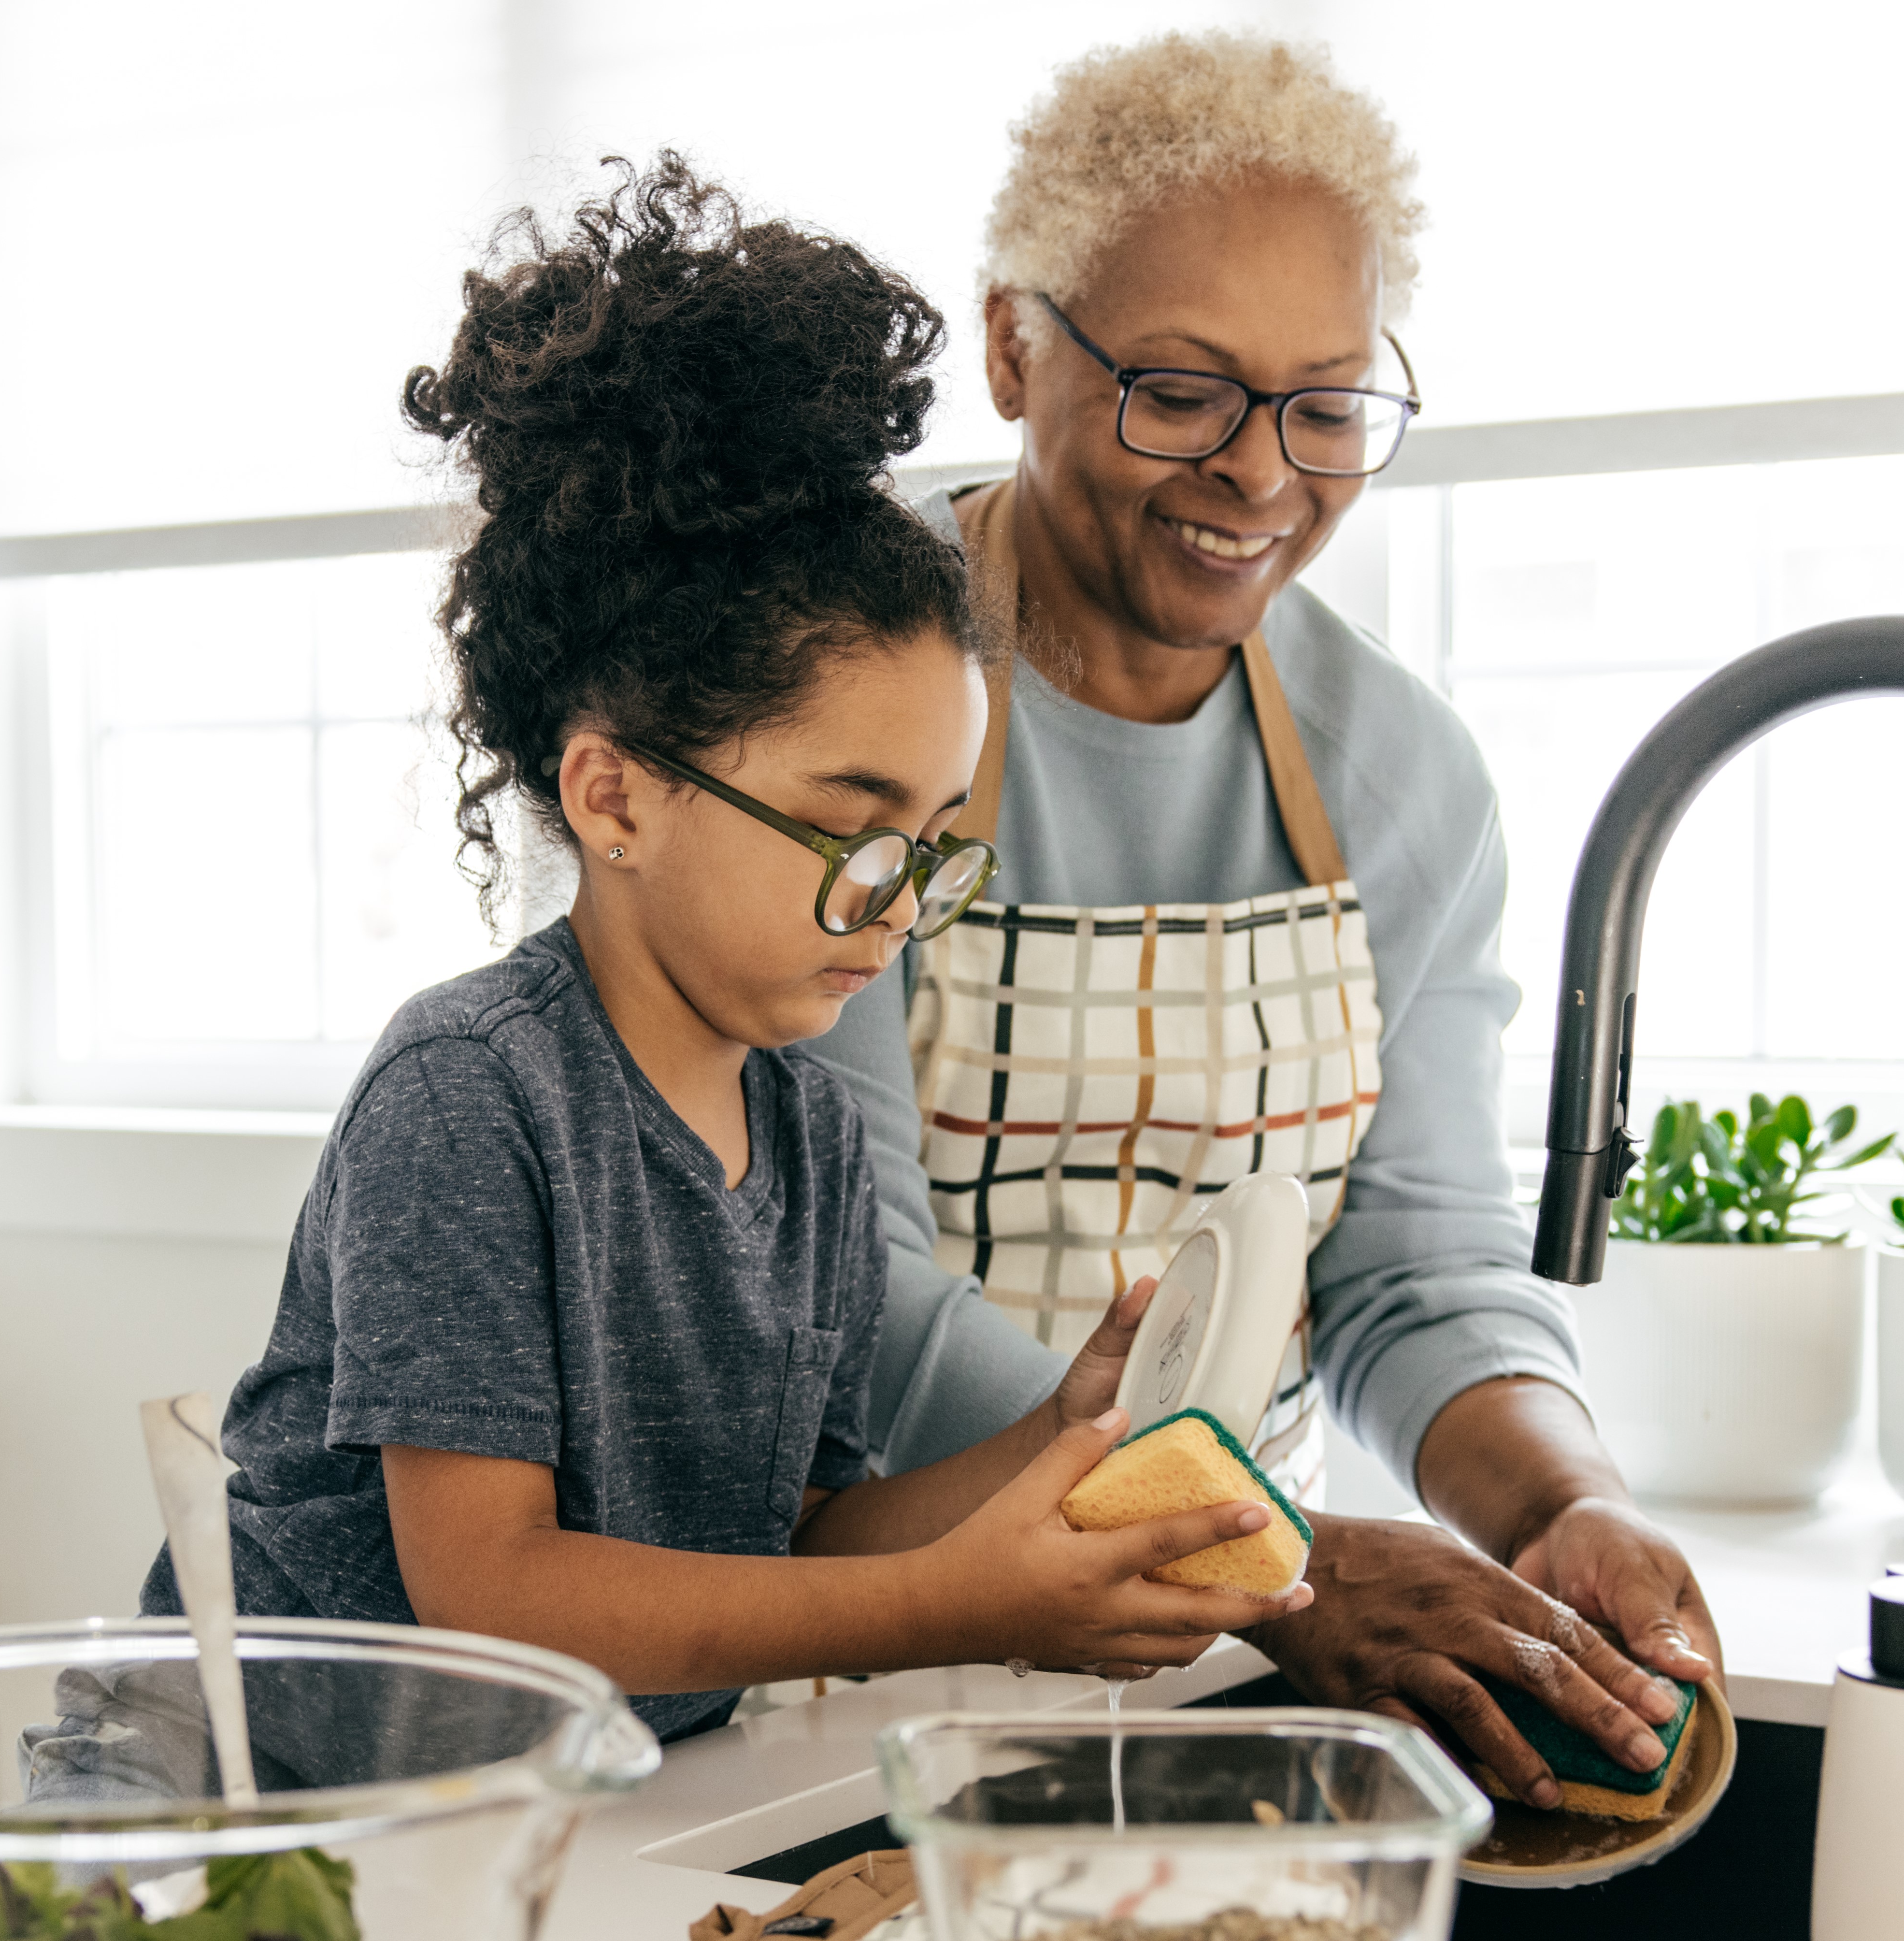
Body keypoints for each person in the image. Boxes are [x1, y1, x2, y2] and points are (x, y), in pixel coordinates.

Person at [129, 158, 1306, 1758]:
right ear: (614, 794)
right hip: (251, 1796)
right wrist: (968, 1606)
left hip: (547, 1804)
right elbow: (501, 1601)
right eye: (850, 831)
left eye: (932, 844)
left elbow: (801, 1539)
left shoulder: (808, 1138)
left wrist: (1063, 1435)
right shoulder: (470, 1098)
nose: (896, 906)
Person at [811, 34, 1720, 1809]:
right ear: (1014, 345)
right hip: (846, 1641)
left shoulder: (1400, 773)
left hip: (1225, 1651)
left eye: (1326, 404)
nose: (1260, 474)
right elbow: (851, 1298)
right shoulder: (838, 697)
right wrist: (1270, 1551)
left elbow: (1413, 1276)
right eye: (1181, 389)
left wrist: (1562, 1500)